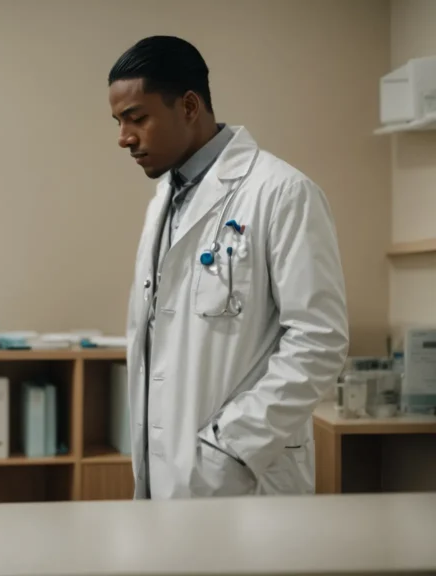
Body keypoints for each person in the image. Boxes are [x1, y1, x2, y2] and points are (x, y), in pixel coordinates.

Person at [107, 36, 349, 499]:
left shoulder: (282, 192)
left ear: (190, 106)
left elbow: (320, 341)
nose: (124, 138)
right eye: (119, 122)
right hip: (169, 473)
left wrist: (230, 447)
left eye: (137, 118)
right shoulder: (164, 202)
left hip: (244, 473)